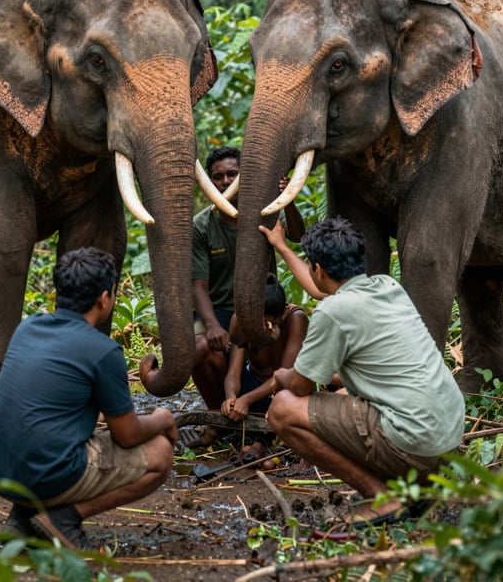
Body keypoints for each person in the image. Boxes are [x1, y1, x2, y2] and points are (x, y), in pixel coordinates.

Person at [265, 217, 465, 528]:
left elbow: (300, 386)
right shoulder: (388, 286)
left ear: (318, 269)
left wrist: (280, 376)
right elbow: (324, 291)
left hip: (416, 445)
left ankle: (381, 497)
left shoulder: (333, 312)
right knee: (344, 393)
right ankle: (416, 488)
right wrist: (281, 246)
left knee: (283, 409)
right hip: (448, 440)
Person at [0, 247, 177, 550]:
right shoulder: (104, 352)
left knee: (49, 432)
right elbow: (126, 435)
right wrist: (163, 417)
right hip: (43, 472)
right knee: (160, 454)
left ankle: (22, 517)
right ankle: (63, 518)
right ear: (105, 298)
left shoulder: (28, 327)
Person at [190, 146, 304, 446]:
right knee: (198, 348)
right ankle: (219, 416)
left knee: (268, 363)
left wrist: (287, 198)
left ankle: (259, 412)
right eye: (217, 177)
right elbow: (198, 285)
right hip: (221, 310)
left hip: (261, 306)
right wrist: (213, 325)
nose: (225, 182)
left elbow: (297, 234)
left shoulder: (265, 210)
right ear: (210, 182)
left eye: (232, 174)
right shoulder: (203, 225)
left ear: (245, 177)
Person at [221, 273, 308, 421]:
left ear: (284, 311)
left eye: (273, 322)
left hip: (283, 390)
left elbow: (285, 373)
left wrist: (247, 399)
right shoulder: (244, 319)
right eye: (262, 322)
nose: (267, 328)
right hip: (253, 383)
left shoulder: (296, 319)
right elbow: (234, 372)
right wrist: (231, 397)